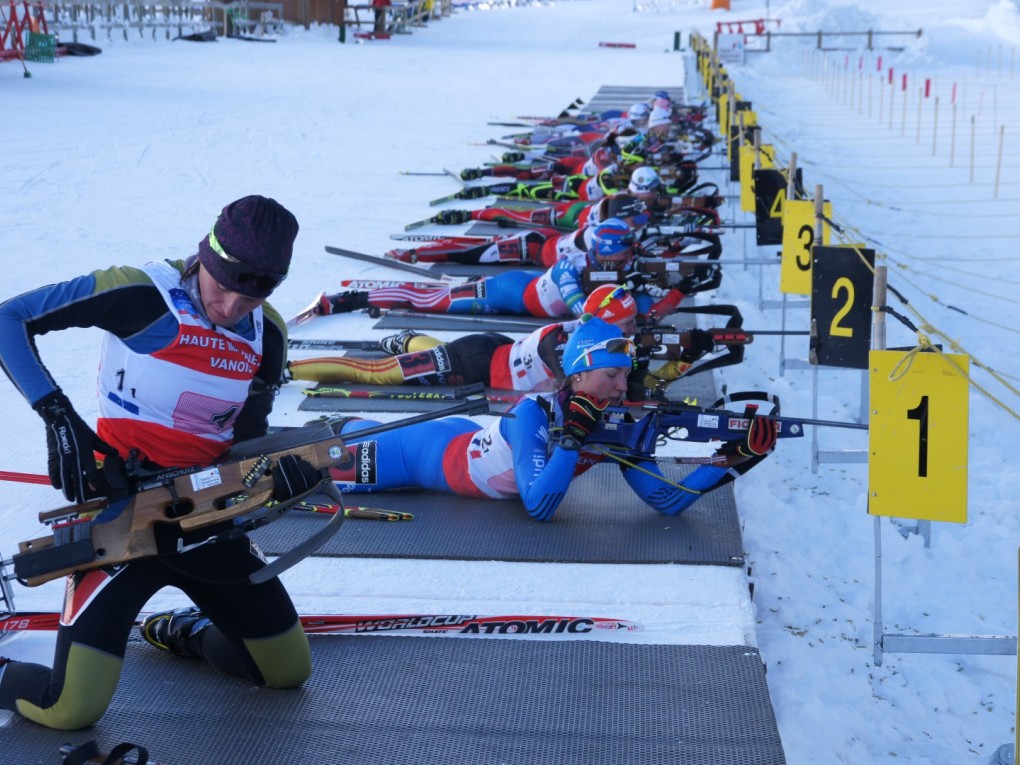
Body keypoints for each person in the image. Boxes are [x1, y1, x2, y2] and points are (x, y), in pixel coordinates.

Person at [0, 195, 323, 730]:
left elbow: (244, 444)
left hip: (206, 523)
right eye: (225, 288)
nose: (231, 309)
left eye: (254, 295)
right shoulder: (141, 292)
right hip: (121, 522)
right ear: (207, 258)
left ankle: (182, 632)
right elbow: (9, 317)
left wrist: (277, 477)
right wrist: (57, 414)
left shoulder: (267, 332)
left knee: (286, 673)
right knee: (71, 708)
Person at [326, 317, 776, 522]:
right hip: (429, 454)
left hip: (469, 441)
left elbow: (668, 501)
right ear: (578, 375)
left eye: (625, 376)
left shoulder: (614, 424)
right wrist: (572, 440)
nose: (623, 387)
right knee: (316, 455)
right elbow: (539, 506)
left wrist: (738, 459)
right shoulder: (532, 413)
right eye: (612, 375)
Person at [289, 284, 715, 398]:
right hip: (472, 363)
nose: (631, 334)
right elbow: (626, 384)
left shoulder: (598, 340)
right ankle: (281, 369)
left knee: (432, 356)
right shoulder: (577, 350)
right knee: (377, 376)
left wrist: (682, 359)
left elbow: (634, 382)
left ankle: (409, 340)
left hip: (490, 351)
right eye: (627, 327)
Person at [327, 218, 670, 319]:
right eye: (625, 254)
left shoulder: (610, 269)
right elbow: (587, 313)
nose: (630, 259)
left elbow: (641, 311)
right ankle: (351, 298)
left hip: (525, 283)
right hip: (507, 293)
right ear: (608, 254)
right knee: (432, 300)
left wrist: (658, 288)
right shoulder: (571, 268)